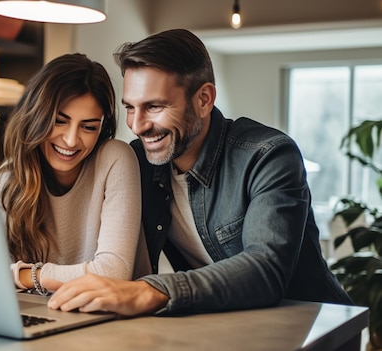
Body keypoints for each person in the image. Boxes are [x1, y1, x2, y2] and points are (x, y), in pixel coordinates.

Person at [45, 29, 353, 315]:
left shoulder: (268, 155)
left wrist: (148, 291)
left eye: (154, 106)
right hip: (226, 325)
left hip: (316, 326)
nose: (137, 125)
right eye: (130, 107)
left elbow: (265, 270)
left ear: (203, 99)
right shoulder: (137, 161)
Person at [0, 53, 151, 295]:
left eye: (88, 127)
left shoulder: (115, 158)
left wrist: (27, 275)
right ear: (36, 117)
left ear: (102, 127)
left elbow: (113, 273)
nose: (71, 139)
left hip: (111, 319)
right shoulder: (7, 179)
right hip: (39, 312)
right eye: (59, 121)